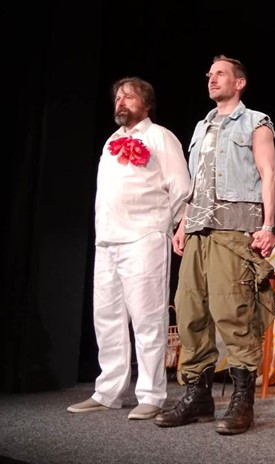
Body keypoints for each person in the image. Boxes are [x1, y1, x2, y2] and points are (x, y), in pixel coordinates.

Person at [154, 55, 275, 435]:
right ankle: (198, 397)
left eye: (220, 73)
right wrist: (183, 223)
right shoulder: (201, 126)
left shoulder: (256, 121)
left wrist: (268, 225)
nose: (212, 78)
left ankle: (243, 401)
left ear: (239, 82)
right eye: (210, 74)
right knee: (190, 312)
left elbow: (268, 173)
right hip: (198, 230)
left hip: (234, 229)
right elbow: (197, 182)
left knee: (233, 313)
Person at [68, 77, 192, 420]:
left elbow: (181, 188)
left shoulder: (160, 136)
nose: (120, 102)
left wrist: (169, 226)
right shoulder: (112, 140)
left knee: (148, 318)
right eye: (117, 97)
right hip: (108, 239)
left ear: (147, 104)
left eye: (129, 97)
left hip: (144, 237)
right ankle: (108, 391)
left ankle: (151, 394)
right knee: (106, 317)